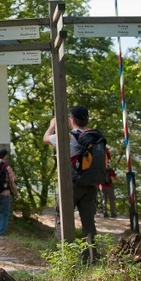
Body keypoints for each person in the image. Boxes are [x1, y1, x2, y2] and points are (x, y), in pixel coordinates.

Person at [43, 105, 99, 257]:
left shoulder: (66, 136)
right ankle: (91, 258)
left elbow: (45, 139)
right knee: (89, 222)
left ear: (72, 119)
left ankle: (67, 256)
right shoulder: (93, 137)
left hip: (72, 184)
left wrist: (52, 125)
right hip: (91, 184)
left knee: (62, 216)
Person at [100, 149, 117, 218]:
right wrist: (119, 180)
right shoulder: (109, 169)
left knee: (104, 200)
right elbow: (114, 176)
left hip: (102, 186)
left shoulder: (100, 168)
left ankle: (105, 213)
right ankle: (113, 214)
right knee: (111, 200)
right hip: (109, 186)